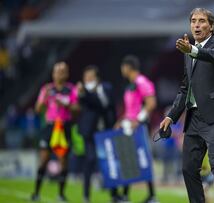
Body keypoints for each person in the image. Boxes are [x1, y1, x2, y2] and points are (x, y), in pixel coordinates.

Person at [159, 8, 214, 203]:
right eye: (193, 21)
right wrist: (171, 115)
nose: (196, 24)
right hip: (194, 117)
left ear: (211, 26)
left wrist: (193, 51)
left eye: (202, 21)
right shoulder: (188, 52)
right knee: (188, 168)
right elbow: (185, 88)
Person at [31, 62, 79, 202]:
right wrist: (44, 99)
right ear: (53, 74)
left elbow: (77, 109)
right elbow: (37, 109)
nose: (60, 74)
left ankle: (61, 194)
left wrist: (66, 104)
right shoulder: (47, 89)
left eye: (63, 71)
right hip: (50, 126)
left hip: (64, 126)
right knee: (44, 160)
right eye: (58, 71)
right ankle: (36, 193)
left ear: (67, 74)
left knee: (63, 161)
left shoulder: (71, 90)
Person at [114, 55, 158, 203]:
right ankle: (126, 196)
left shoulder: (141, 81)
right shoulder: (130, 85)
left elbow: (151, 103)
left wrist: (137, 120)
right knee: (129, 159)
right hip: (129, 125)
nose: (121, 70)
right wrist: (121, 121)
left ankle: (151, 196)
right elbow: (130, 110)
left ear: (127, 67)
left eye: (122, 66)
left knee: (141, 159)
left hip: (139, 127)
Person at [76, 65, 120, 203]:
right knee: (90, 160)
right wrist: (84, 93)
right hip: (90, 132)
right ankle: (86, 196)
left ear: (97, 78)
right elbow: (85, 101)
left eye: (90, 77)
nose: (87, 80)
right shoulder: (83, 92)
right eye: (86, 78)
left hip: (106, 131)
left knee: (110, 162)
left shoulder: (106, 88)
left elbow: (108, 104)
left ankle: (114, 195)